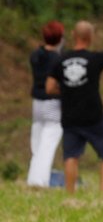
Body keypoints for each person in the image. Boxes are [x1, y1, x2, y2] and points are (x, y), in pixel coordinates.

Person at [46, 20, 103, 193]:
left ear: (73, 35)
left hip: (70, 116)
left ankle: (70, 195)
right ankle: (102, 194)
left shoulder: (60, 60)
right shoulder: (95, 59)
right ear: (91, 37)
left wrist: (67, 90)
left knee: (71, 156)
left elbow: (49, 87)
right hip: (94, 116)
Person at [27, 21, 65, 187]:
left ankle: (33, 177)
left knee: (37, 143)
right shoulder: (58, 59)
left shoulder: (35, 55)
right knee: (48, 143)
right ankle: (39, 181)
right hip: (52, 105)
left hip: (37, 104)